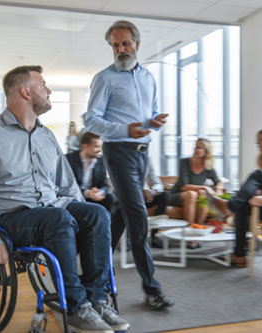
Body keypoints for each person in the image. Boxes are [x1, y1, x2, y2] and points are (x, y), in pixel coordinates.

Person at [0, 65, 129, 333]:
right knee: (58, 218)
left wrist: (81, 215)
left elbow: (68, 186)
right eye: (43, 85)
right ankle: (76, 307)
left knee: (97, 214)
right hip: (11, 217)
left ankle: (97, 301)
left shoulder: (47, 136)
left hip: (53, 211)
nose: (48, 90)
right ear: (25, 92)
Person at [84, 20, 173, 310]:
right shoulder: (104, 78)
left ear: (136, 43)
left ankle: (93, 276)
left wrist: (154, 122)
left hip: (141, 154)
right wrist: (125, 130)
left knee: (119, 219)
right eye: (115, 45)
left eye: (124, 43)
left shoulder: (149, 78)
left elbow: (151, 114)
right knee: (138, 218)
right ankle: (152, 289)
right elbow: (92, 120)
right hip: (118, 153)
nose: (120, 50)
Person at [211, 128, 262, 268]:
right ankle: (240, 255)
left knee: (257, 174)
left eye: (261, 139)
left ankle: (229, 206)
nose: (258, 143)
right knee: (242, 207)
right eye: (257, 140)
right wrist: (257, 195)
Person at [66, 131, 125, 251]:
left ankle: (108, 245)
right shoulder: (69, 160)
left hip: (95, 196)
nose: (99, 149)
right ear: (85, 146)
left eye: (100, 146)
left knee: (116, 202)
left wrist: (100, 192)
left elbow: (103, 184)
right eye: (96, 146)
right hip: (76, 197)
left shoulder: (101, 161)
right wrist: (87, 192)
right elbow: (67, 186)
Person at [170, 138, 224, 226]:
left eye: (199, 148)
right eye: (195, 147)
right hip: (178, 194)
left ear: (206, 152)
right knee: (192, 194)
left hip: (196, 195)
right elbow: (185, 186)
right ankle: (190, 230)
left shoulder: (208, 167)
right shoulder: (184, 162)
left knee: (201, 193)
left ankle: (198, 227)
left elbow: (218, 182)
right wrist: (206, 187)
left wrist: (219, 188)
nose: (195, 149)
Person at [144, 158, 170, 248]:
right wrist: (142, 190)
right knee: (129, 198)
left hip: (146, 198)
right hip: (130, 196)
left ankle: (154, 235)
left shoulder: (147, 160)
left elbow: (155, 181)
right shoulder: (124, 159)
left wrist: (154, 191)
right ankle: (129, 237)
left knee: (165, 195)